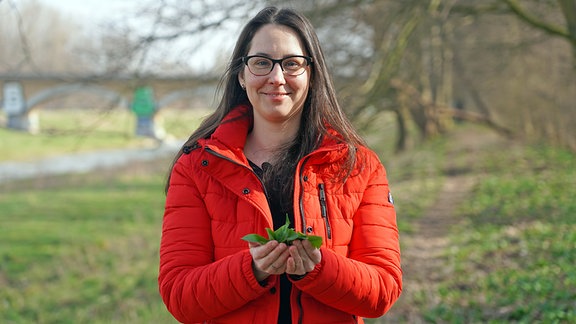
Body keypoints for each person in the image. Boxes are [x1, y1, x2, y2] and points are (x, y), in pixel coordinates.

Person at [158, 6, 402, 324]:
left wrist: (319, 268)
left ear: (312, 75)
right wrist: (252, 269)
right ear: (242, 76)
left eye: (291, 64)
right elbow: (180, 297)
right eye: (261, 63)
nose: (276, 77)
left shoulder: (359, 167)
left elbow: (383, 291)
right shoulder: (197, 167)